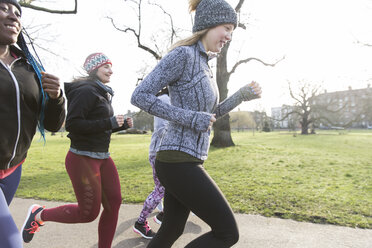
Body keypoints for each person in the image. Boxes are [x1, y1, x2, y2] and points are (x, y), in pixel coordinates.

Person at [131, 0, 262, 247]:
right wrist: (190, 118)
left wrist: (241, 95)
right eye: (226, 28)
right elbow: (140, 95)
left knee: (171, 228)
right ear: (209, 25)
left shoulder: (204, 64)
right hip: (176, 159)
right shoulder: (183, 55)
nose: (228, 36)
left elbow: (210, 115)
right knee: (227, 232)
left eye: (232, 31)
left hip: (186, 159)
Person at [21, 53, 133, 248]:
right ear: (94, 69)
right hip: (83, 159)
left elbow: (97, 126)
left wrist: (118, 126)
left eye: (111, 66)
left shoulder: (101, 91)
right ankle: (39, 215)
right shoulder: (86, 90)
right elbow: (73, 124)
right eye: (106, 66)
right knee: (88, 214)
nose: (111, 70)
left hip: (102, 157)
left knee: (114, 202)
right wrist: (109, 122)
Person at [0, 0, 66, 247]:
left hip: (12, 171)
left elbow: (52, 124)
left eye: (18, 13)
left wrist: (56, 98)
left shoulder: (29, 68)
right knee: (10, 242)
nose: (13, 16)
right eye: (4, 8)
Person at [133, 88, 170, 239]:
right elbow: (164, 128)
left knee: (172, 188)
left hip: (164, 150)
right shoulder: (166, 100)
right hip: (160, 151)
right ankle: (140, 223)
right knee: (160, 189)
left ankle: (164, 216)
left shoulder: (168, 98)